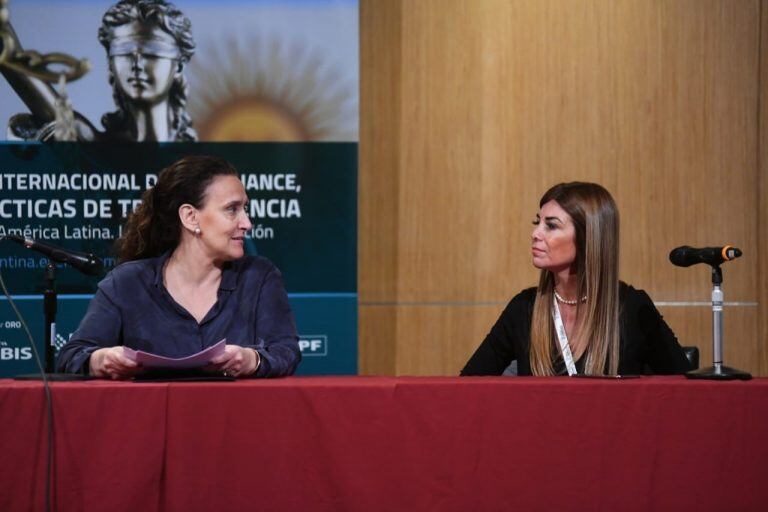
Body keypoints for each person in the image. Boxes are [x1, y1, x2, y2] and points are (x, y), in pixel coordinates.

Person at [56, 155, 301, 378]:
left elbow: (286, 351)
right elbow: (71, 356)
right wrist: (100, 360)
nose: (247, 223)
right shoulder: (126, 283)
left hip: (234, 420)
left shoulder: (259, 277)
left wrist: (253, 360)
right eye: (232, 209)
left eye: (244, 209)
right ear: (190, 217)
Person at [461, 182, 692, 376]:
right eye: (537, 223)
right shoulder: (524, 309)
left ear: (587, 238)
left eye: (550, 225)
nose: (535, 234)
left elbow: (685, 391)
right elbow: (467, 386)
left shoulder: (632, 308)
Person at [6, 0, 196, 141]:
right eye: (123, 51)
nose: (137, 63)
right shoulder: (92, 145)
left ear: (178, 65)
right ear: (111, 63)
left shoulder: (198, 162)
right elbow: (13, 62)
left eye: (152, 52)